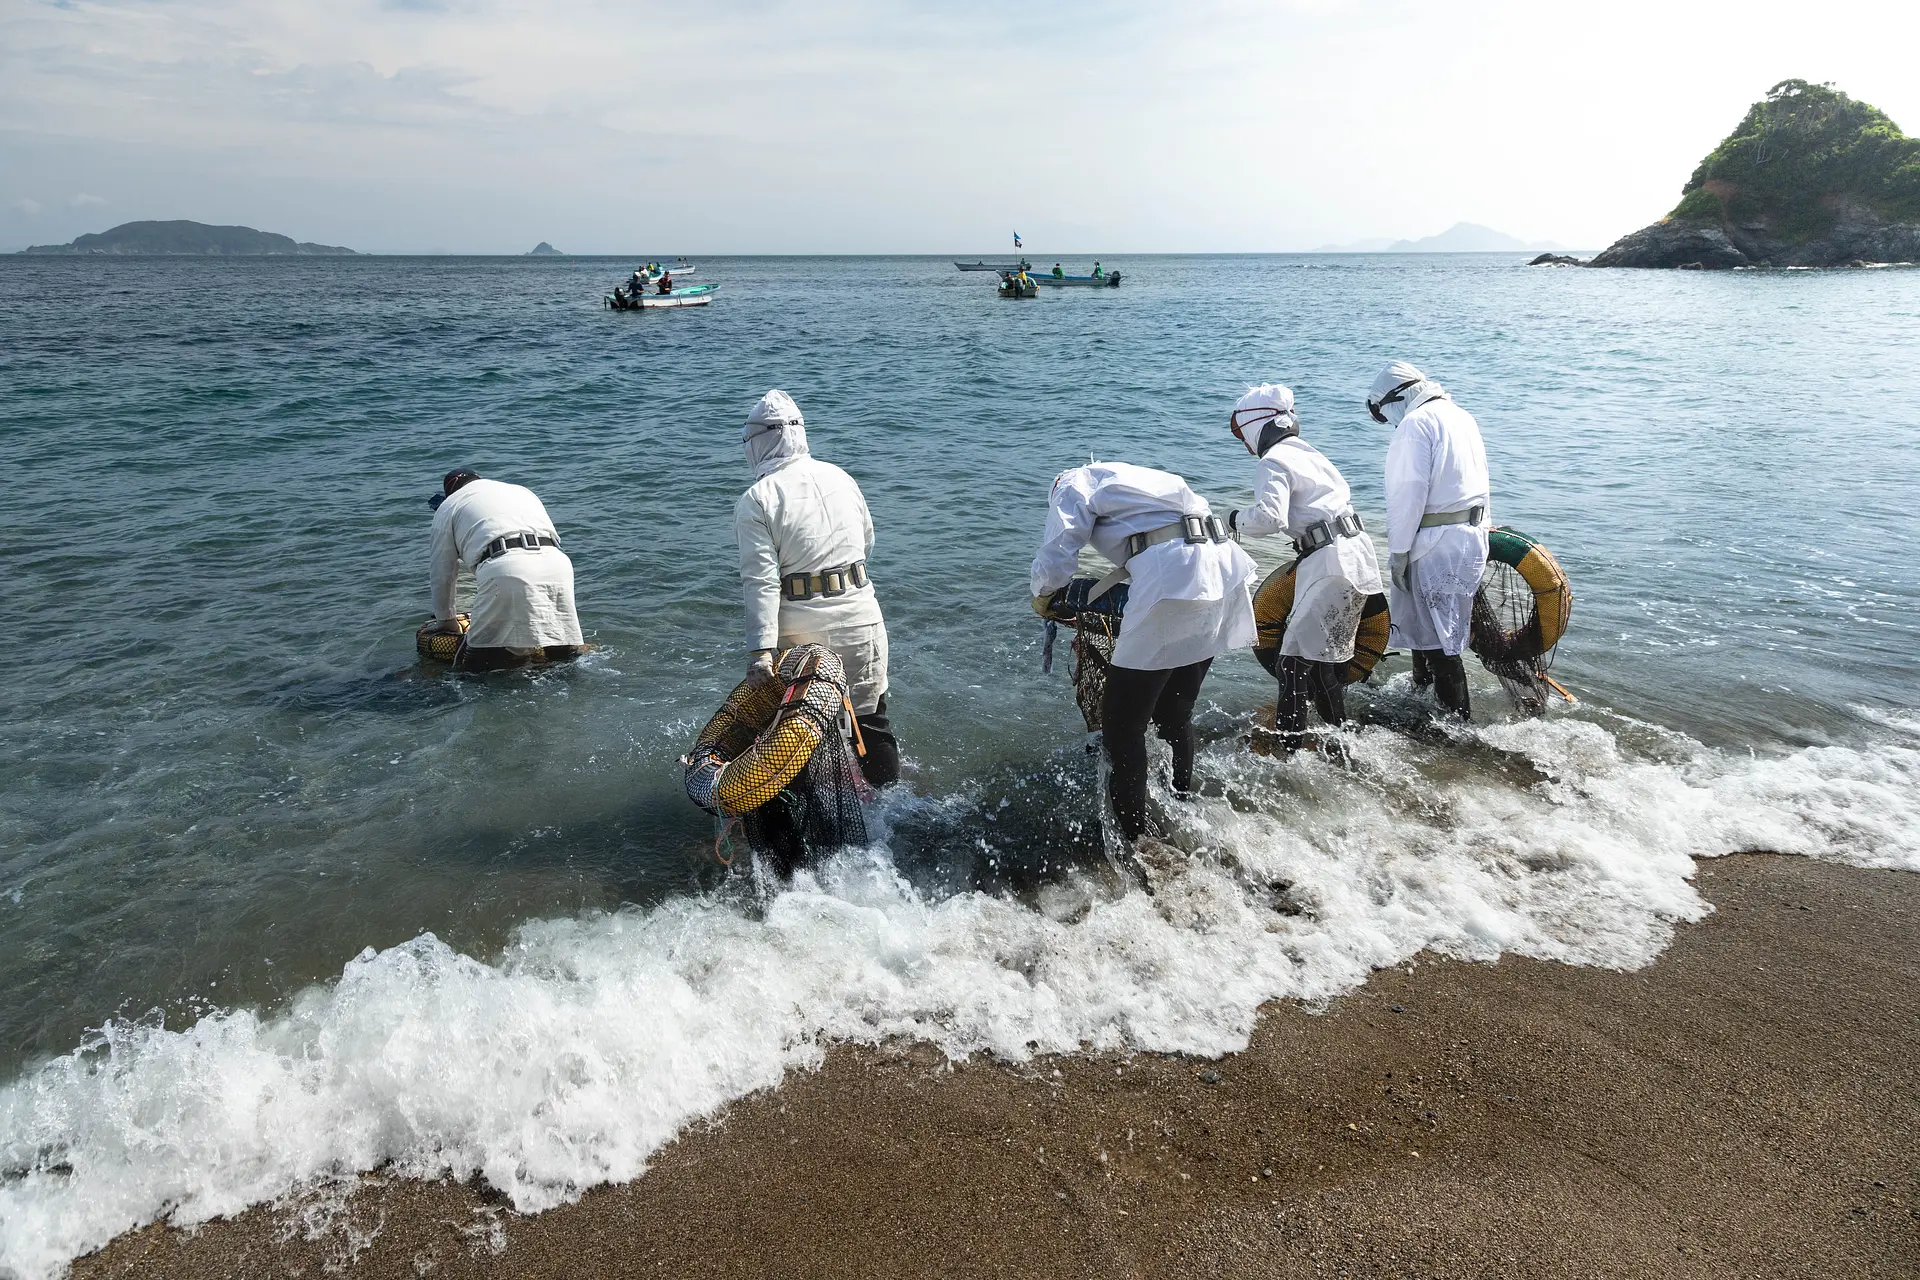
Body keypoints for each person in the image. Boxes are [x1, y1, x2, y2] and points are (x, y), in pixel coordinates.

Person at [1031, 463, 1257, 845]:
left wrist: (1041, 593)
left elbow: (1059, 549)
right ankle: (1181, 804)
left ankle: (1138, 841)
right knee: (1174, 714)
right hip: (1222, 568)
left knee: (1121, 729)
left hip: (1176, 574)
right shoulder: (1131, 481)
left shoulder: (1071, 484)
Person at [734, 390, 901, 787]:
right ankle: (895, 809)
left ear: (757, 442)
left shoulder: (757, 499)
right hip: (863, 621)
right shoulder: (842, 478)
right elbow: (867, 544)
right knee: (871, 724)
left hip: (803, 638)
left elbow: (761, 582)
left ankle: (819, 817)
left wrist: (761, 652)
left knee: (798, 739)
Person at [1225, 384, 1383, 750]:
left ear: (1256, 426)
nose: (1245, 445)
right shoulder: (1311, 453)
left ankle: (1290, 753)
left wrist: (1233, 518)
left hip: (1330, 561)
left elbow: (1269, 519)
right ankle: (1341, 744)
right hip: (1357, 555)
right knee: (1320, 663)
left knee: (1292, 664)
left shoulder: (1272, 461)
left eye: (1242, 434)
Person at [1368, 360, 1491, 719]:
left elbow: (1407, 495)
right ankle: (1421, 697)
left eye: (1384, 414)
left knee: (1439, 642)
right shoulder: (1461, 416)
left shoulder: (1415, 424)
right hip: (1469, 537)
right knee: (1432, 628)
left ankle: (1456, 724)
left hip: (1435, 543)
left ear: (1395, 399)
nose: (1390, 422)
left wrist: (1398, 552)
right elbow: (1480, 481)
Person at [425, 469, 583, 673]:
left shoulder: (449, 505)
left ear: (449, 491)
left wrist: (447, 621)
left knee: (474, 669)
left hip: (505, 567)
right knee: (562, 658)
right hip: (558, 565)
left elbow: (442, 573)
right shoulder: (521, 491)